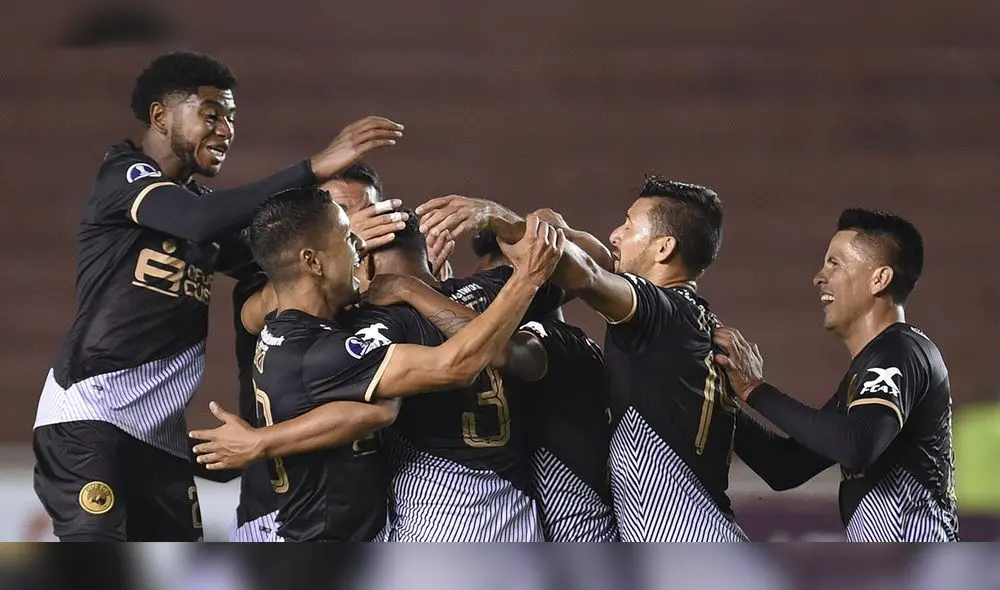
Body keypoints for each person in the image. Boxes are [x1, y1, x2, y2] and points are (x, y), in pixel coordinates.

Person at [30, 49, 403, 542]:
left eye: (231, 118)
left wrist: (341, 243)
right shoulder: (124, 175)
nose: (226, 130)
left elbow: (281, 262)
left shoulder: (199, 211)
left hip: (158, 434)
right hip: (90, 416)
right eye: (211, 115)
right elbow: (198, 223)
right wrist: (312, 168)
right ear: (161, 116)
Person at [190, 188, 563, 541]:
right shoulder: (323, 353)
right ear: (312, 261)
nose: (358, 250)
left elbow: (371, 414)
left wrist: (262, 441)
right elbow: (456, 365)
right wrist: (527, 278)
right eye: (348, 239)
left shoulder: (287, 332)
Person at [416, 177, 746, 541]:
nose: (615, 234)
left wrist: (498, 223)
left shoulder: (655, 314)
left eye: (628, 224)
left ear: (664, 248)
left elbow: (586, 273)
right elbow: (784, 468)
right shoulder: (694, 326)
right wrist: (759, 392)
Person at [715, 208, 958, 542]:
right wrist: (717, 398)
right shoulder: (872, 368)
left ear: (879, 279)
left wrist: (755, 389)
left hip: (916, 566)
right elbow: (785, 467)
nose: (819, 277)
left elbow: (857, 445)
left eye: (835, 263)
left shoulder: (901, 351)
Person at [364, 261, 619, 541]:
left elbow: (482, 358)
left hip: (436, 529)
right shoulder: (499, 291)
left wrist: (407, 287)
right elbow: (594, 262)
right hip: (522, 524)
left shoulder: (370, 321)